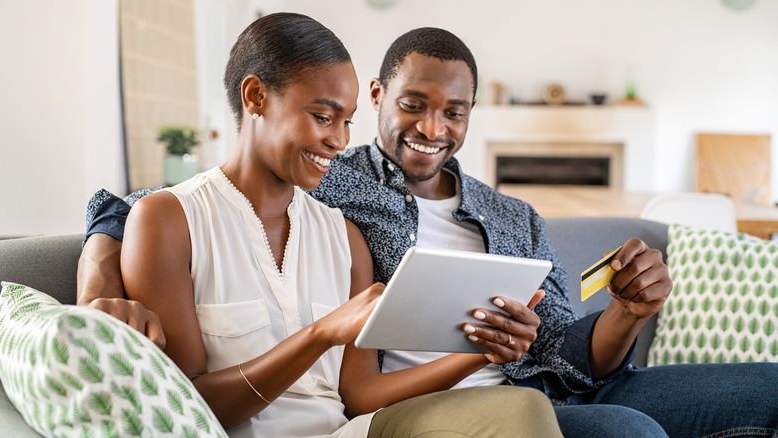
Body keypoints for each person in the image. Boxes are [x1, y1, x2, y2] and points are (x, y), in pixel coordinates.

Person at [79, 25, 778, 438]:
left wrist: (626, 310)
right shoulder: (333, 180)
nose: (433, 129)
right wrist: (99, 285)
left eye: (456, 112)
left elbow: (569, 351)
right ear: (380, 96)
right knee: (629, 433)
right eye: (415, 105)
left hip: (557, 387)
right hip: (454, 408)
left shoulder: (510, 216)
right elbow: (134, 204)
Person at [81, 11, 564, 438]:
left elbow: (359, 397)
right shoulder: (168, 221)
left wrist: (484, 352)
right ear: (256, 98)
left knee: (522, 407)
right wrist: (320, 334)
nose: (338, 140)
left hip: (354, 431)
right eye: (322, 116)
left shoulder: (345, 236)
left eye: (348, 122)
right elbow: (188, 408)